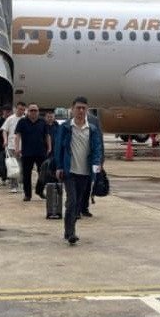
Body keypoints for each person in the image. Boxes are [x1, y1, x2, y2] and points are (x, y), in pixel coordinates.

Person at [53, 97, 104, 245]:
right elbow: (58, 148)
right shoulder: (66, 127)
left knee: (78, 203)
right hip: (69, 171)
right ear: (72, 109)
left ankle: (68, 230)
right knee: (72, 201)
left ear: (87, 110)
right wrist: (59, 166)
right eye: (78, 108)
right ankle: (71, 233)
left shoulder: (92, 129)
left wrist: (97, 165)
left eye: (83, 108)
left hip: (85, 172)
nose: (81, 111)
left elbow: (97, 149)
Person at [14, 104, 50, 202]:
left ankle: (39, 190)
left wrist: (49, 147)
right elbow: (17, 135)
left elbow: (47, 135)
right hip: (27, 152)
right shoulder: (22, 121)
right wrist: (17, 148)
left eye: (35, 110)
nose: (33, 112)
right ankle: (27, 195)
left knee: (43, 173)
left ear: (38, 111)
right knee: (26, 174)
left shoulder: (43, 121)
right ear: (28, 111)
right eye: (31, 110)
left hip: (41, 152)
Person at [1, 102, 26, 193]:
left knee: (22, 166)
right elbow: (4, 130)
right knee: (13, 167)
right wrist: (5, 140)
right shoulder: (10, 118)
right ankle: (13, 185)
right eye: (19, 109)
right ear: (15, 109)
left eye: (23, 110)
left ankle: (22, 183)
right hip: (12, 146)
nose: (21, 111)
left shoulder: (26, 119)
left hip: (24, 146)